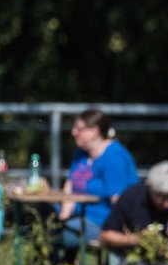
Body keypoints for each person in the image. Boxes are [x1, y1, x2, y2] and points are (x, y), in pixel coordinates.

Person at [55, 108, 138, 256]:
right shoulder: (81, 154)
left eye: (79, 129)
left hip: (100, 221)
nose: (74, 132)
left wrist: (115, 236)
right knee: (36, 218)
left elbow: (119, 203)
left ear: (94, 131)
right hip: (76, 216)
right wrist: (64, 212)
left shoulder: (113, 157)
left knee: (54, 235)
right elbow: (70, 183)